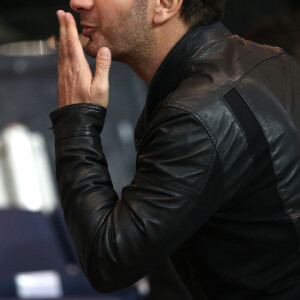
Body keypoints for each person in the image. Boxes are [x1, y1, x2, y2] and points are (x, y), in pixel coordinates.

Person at [49, 0, 300, 299]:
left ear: (166, 4)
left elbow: (108, 259)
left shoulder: (196, 114)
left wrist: (76, 120)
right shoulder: (273, 60)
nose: (79, 2)